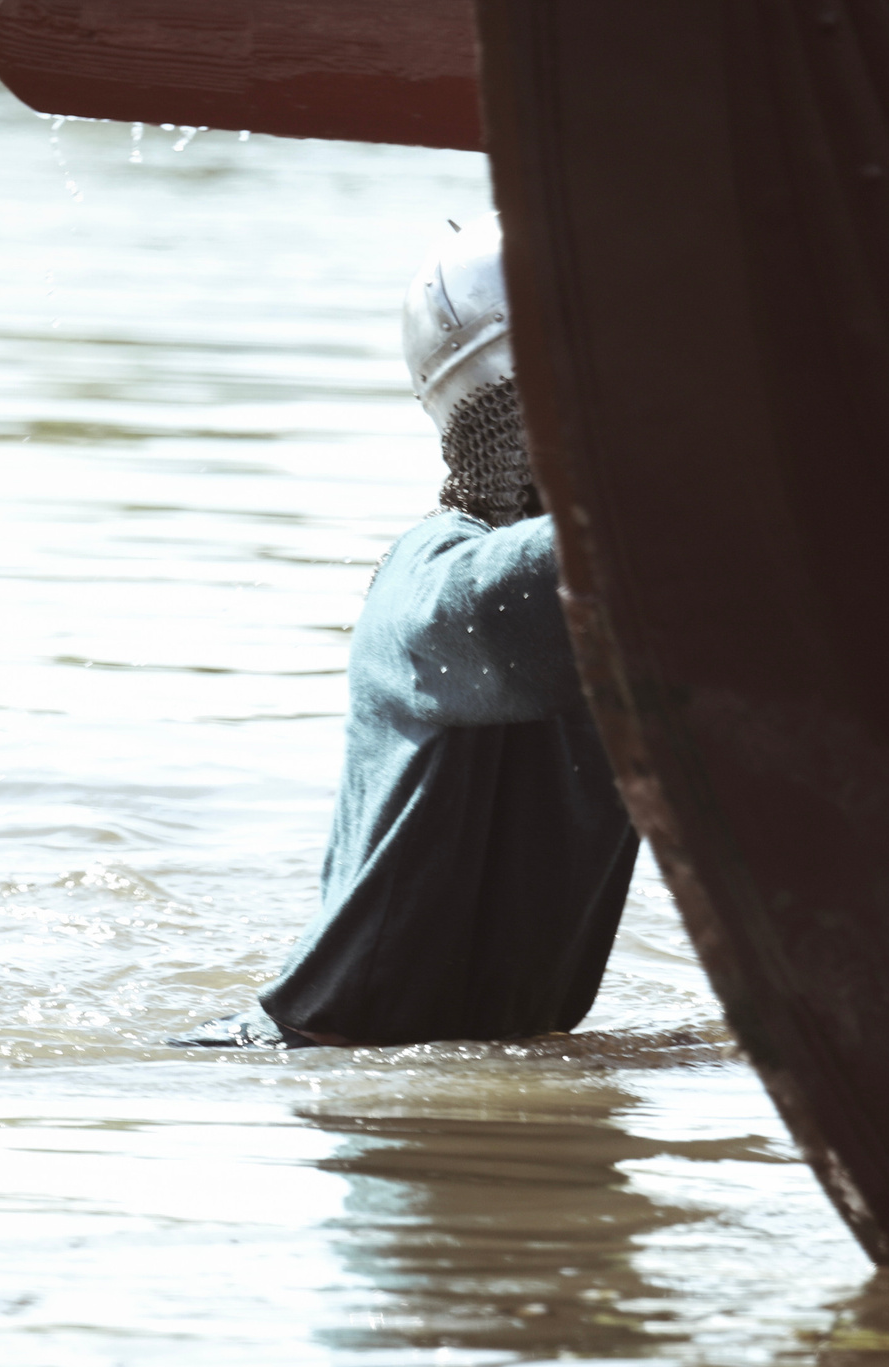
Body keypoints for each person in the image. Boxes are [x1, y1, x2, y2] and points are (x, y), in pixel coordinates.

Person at [172, 215, 638, 1048]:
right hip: (320, 1059)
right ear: (503, 412)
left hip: (517, 1051)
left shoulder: (653, 592)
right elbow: (530, 592)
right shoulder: (428, 584)